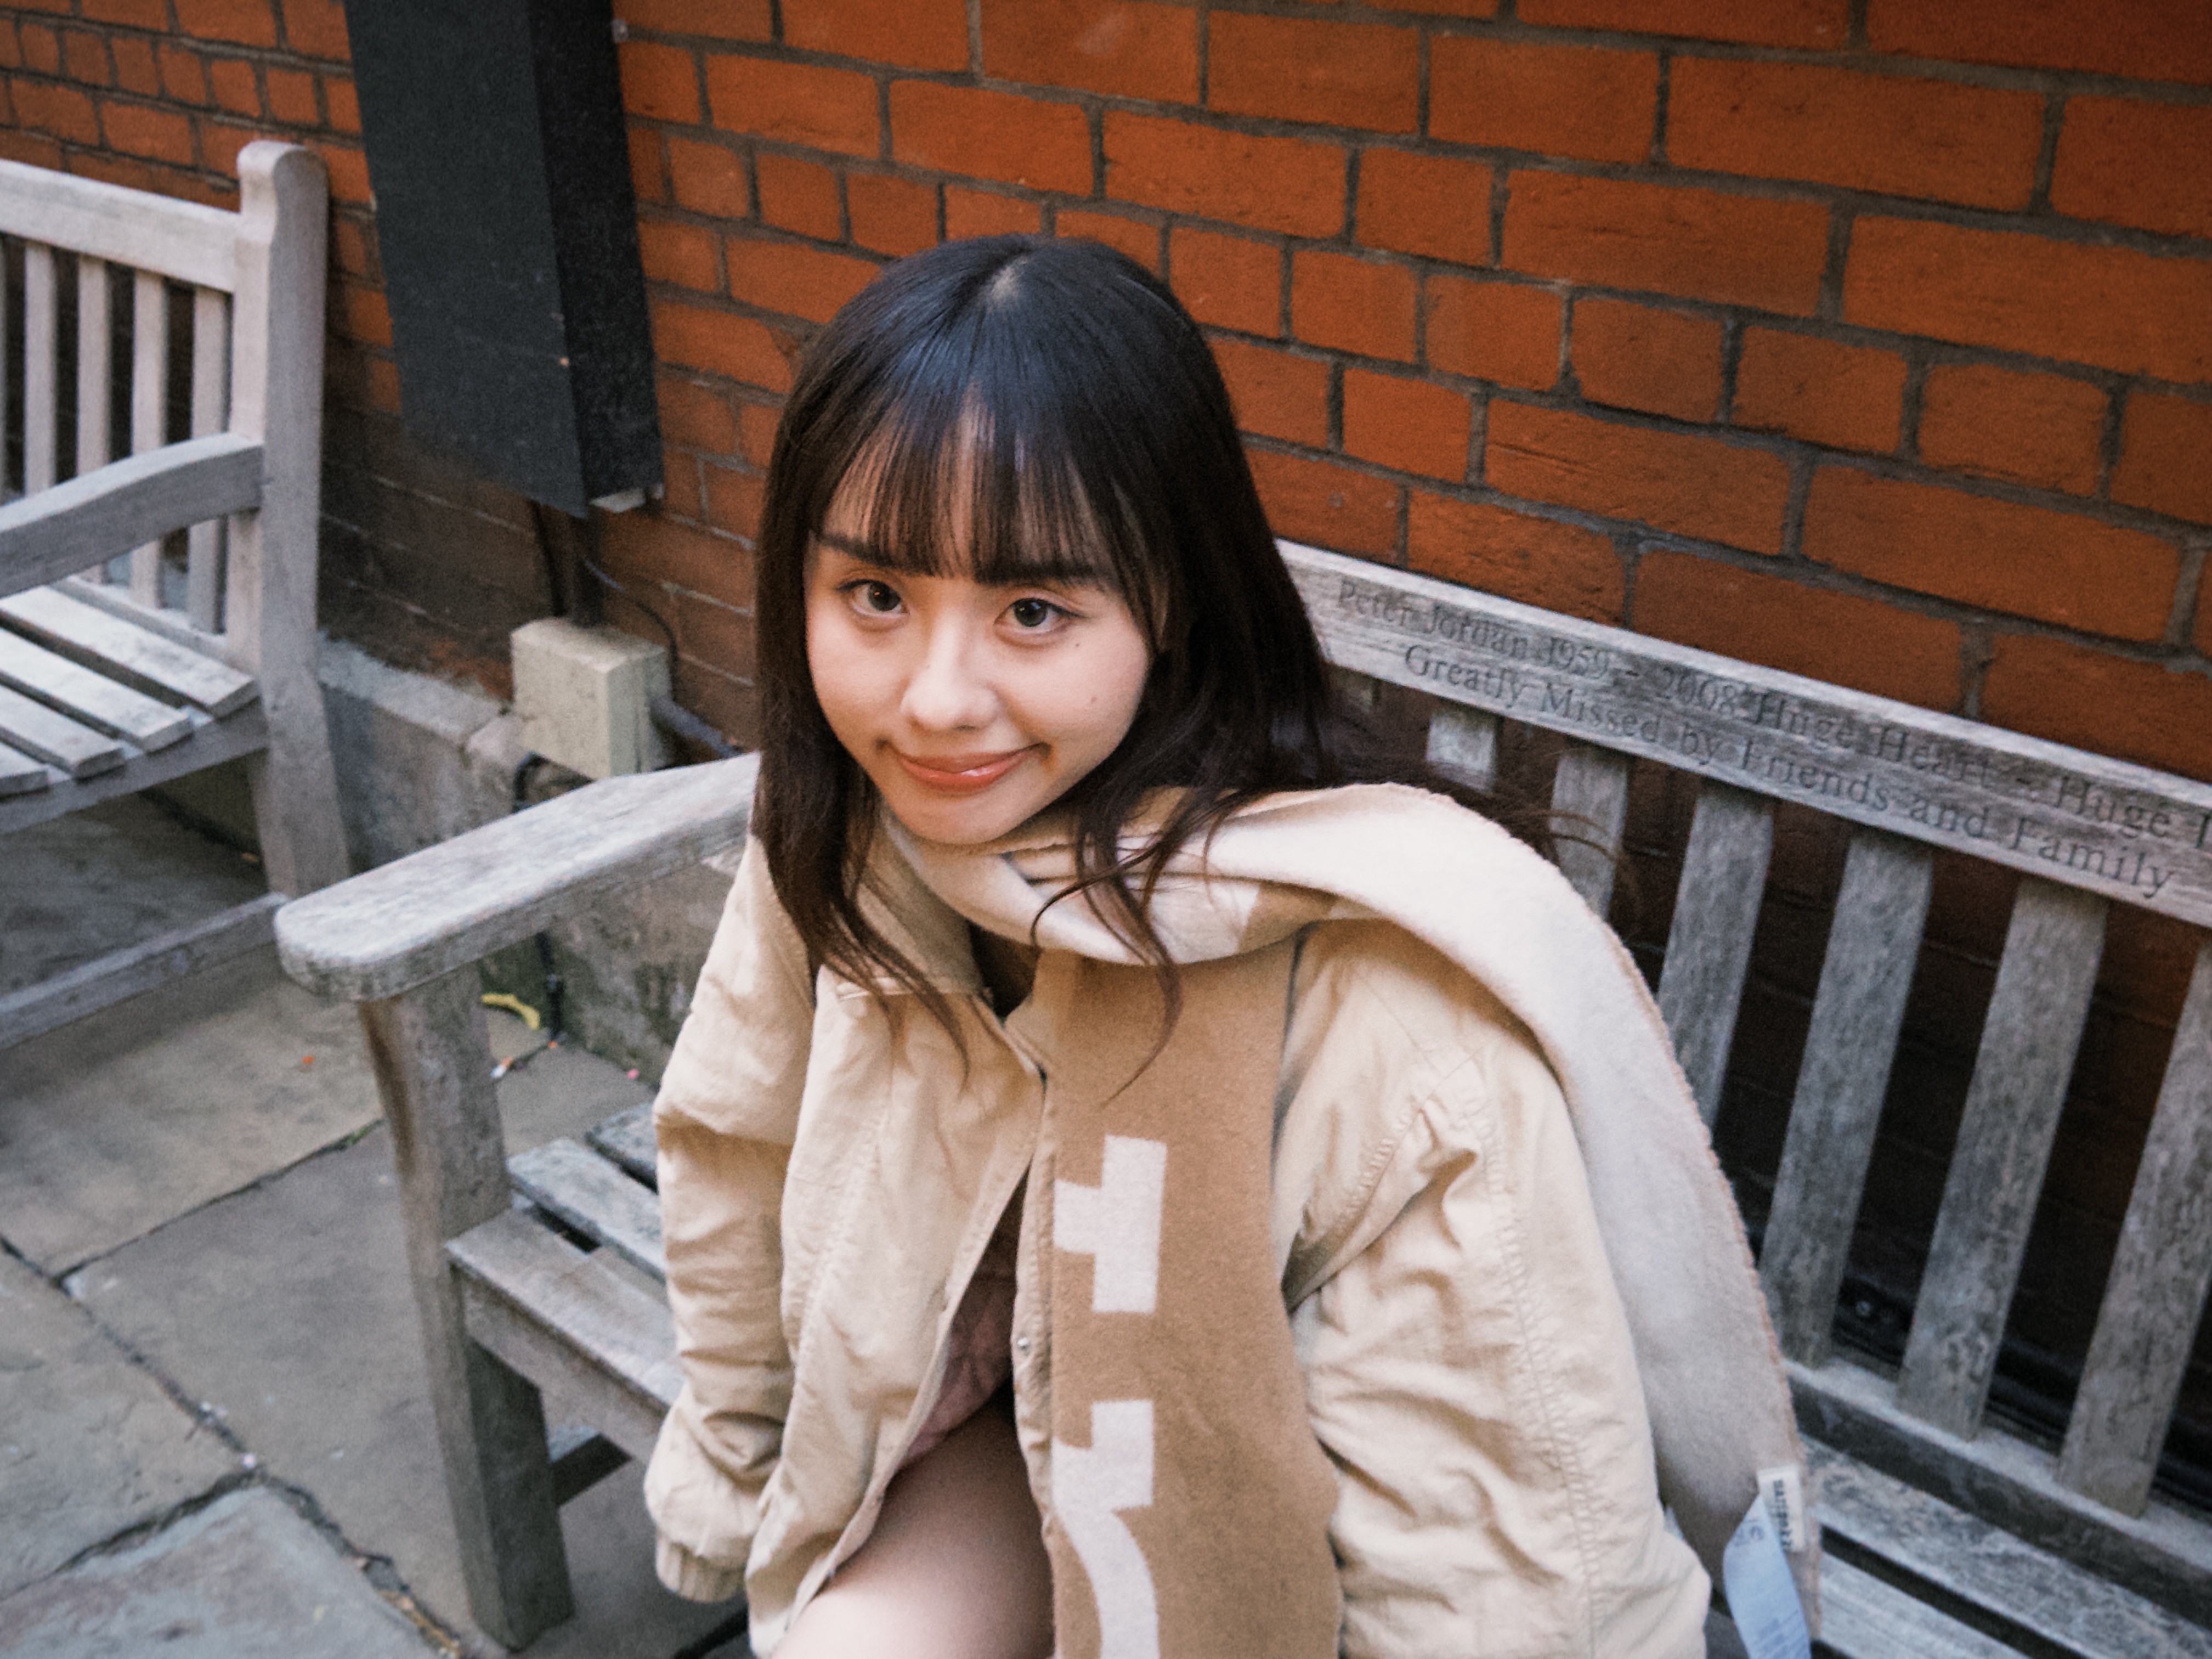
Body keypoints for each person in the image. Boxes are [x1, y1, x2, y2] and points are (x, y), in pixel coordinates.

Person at [642, 234, 1812, 1658]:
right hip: (980, 1434)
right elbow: (733, 1142)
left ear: (1170, 605)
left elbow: (1501, 1576)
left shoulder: (1384, 1011)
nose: (935, 699)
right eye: (875, 596)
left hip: (1279, 1546)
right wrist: (727, 1485)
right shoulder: (844, 834)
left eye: (1030, 609)